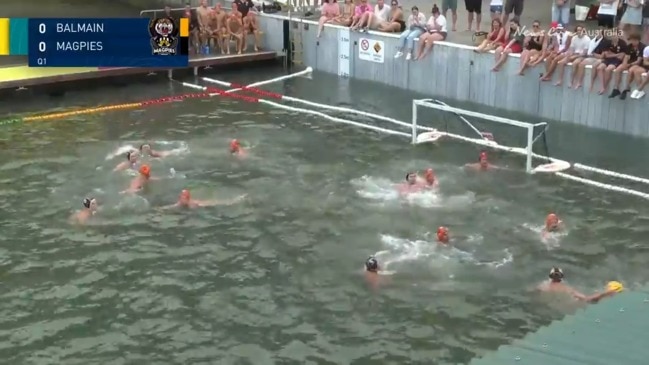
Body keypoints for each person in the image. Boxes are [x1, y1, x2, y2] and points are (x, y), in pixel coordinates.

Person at [161, 189, 246, 209]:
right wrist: (161, 210)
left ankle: (236, 200)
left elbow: (212, 203)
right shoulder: (179, 203)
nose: (182, 199)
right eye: (181, 197)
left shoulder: (194, 203)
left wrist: (231, 202)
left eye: (185, 197)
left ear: (188, 198)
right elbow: (172, 206)